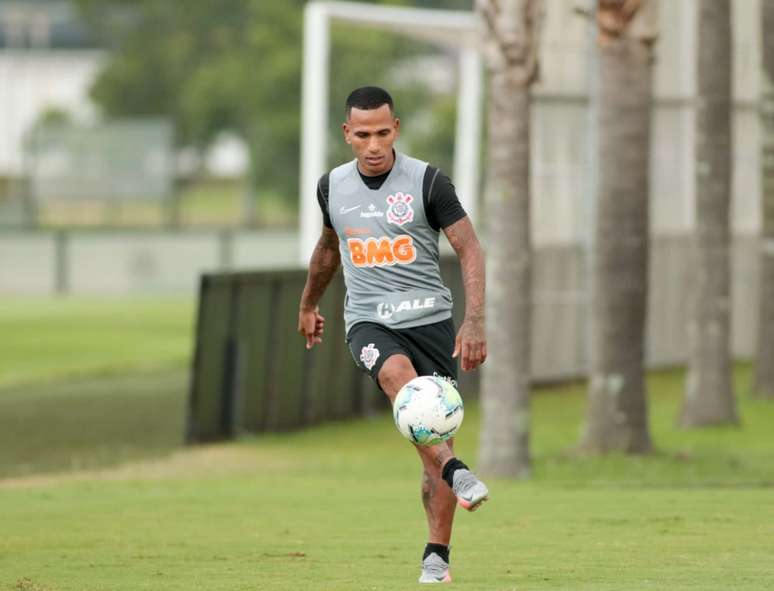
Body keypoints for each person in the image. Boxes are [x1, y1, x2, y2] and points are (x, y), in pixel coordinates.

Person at [297, 86, 488, 584]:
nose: (374, 144)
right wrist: (309, 303)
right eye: (363, 135)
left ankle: (437, 557)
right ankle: (458, 472)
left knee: (431, 433)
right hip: (369, 320)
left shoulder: (428, 182)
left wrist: (474, 319)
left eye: (383, 132)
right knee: (399, 382)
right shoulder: (331, 187)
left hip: (430, 321)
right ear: (347, 135)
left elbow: (469, 248)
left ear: (396, 128)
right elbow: (327, 250)